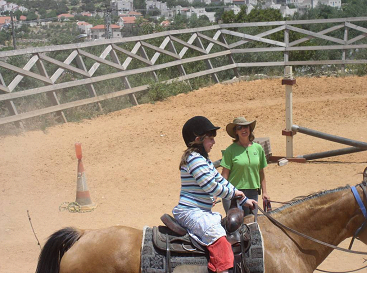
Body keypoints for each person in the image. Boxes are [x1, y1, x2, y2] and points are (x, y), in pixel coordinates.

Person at [172, 116, 257, 273]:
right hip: (191, 212)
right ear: (198, 139)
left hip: (201, 212)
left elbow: (221, 181)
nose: (214, 142)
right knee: (218, 239)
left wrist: (243, 199)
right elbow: (211, 187)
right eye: (210, 139)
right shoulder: (194, 160)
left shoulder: (204, 160)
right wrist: (234, 193)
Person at [220, 117, 269, 216]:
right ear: (236, 132)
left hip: (253, 192)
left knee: (251, 225)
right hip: (234, 193)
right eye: (239, 127)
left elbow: (261, 172)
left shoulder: (258, 148)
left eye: (246, 126)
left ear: (250, 129)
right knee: (236, 226)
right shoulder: (230, 150)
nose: (243, 130)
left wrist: (265, 192)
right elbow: (224, 175)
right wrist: (218, 193)